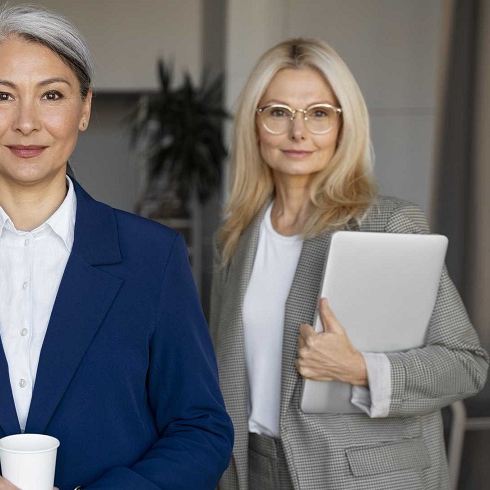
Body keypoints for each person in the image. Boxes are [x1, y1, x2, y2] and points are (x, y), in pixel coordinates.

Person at [0, 5, 232, 490]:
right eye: (2, 95)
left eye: (51, 95)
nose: (26, 123)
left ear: (85, 108)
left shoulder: (153, 258)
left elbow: (200, 429)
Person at [209, 38, 489, 490]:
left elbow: (466, 365)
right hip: (254, 469)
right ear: (255, 124)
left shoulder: (389, 224)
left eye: (319, 113)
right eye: (278, 112)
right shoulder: (235, 239)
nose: (299, 132)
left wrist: (360, 368)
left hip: (359, 479)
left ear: (343, 125)